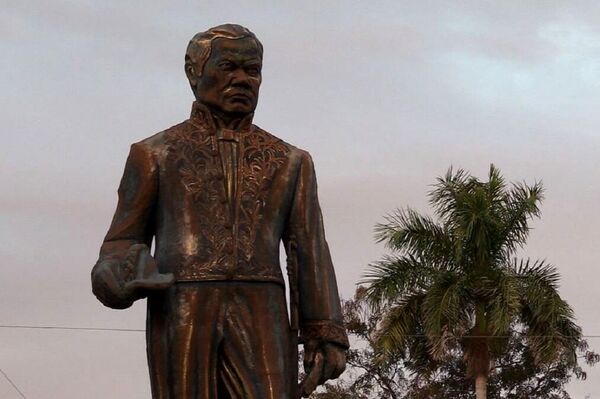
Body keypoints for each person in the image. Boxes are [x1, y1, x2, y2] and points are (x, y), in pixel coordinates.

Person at [91, 24, 348, 399]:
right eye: (228, 66)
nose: (242, 79)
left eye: (253, 70)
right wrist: (114, 276)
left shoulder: (290, 161)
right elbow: (123, 240)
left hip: (263, 311)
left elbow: (309, 247)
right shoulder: (155, 154)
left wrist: (324, 329)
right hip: (184, 307)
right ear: (195, 72)